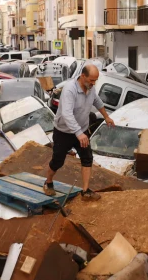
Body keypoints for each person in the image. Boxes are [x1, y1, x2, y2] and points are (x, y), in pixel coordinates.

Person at [44, 64, 115, 201]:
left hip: (81, 131)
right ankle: (48, 182)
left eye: (95, 80)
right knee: (58, 161)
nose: (94, 83)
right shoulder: (70, 90)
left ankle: (86, 191)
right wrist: (78, 133)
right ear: (83, 76)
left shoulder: (91, 88)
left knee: (87, 158)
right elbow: (67, 114)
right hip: (63, 132)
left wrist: (106, 117)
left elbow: (97, 102)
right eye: (91, 80)